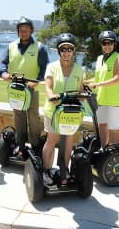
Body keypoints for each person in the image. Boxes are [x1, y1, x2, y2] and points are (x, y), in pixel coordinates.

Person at [0, 17, 49, 158]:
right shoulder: (11, 46)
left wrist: (37, 80)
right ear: (18, 32)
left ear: (31, 30)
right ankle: (20, 146)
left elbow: (45, 68)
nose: (24, 32)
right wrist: (3, 73)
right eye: (21, 30)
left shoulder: (40, 47)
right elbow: (3, 62)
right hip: (16, 88)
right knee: (19, 118)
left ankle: (35, 146)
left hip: (31, 88)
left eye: (27, 30)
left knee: (33, 118)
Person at [42, 33, 85, 185]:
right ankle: (46, 170)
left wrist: (84, 96)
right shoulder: (52, 67)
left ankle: (64, 170)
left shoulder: (79, 70)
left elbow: (80, 90)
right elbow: (48, 86)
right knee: (52, 140)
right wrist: (52, 95)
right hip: (53, 111)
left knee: (68, 141)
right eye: (63, 49)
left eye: (69, 49)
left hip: (71, 112)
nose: (66, 52)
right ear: (59, 51)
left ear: (74, 51)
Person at [88, 30, 119, 148]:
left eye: (110, 43)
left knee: (113, 129)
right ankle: (104, 153)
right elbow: (97, 78)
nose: (107, 46)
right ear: (101, 44)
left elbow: (117, 78)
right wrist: (84, 82)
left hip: (115, 100)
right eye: (104, 43)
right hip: (101, 99)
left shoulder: (118, 58)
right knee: (102, 127)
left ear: (114, 44)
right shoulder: (99, 59)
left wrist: (98, 84)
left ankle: (117, 156)